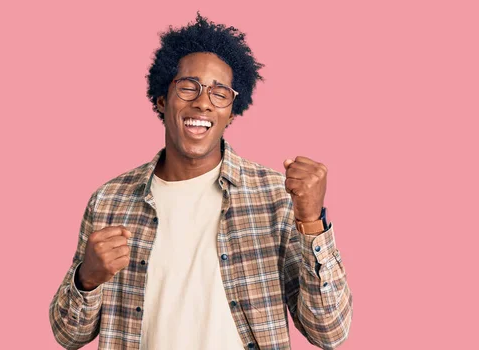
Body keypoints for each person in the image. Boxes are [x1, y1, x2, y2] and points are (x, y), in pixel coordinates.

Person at [49, 13, 352, 350]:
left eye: (219, 93)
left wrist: (311, 223)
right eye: (188, 87)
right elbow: (68, 334)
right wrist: (87, 278)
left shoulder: (275, 197)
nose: (203, 102)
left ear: (232, 112)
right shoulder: (109, 200)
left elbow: (329, 331)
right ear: (163, 100)